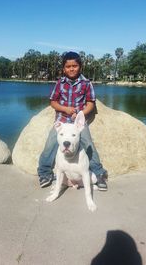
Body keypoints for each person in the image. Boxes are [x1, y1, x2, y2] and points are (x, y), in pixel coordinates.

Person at [37, 51, 108, 191]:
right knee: (50, 144)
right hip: (62, 120)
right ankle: (44, 173)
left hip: (78, 123)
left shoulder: (86, 83)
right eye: (68, 66)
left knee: (88, 144)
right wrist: (65, 109)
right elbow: (53, 102)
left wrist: (81, 113)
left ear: (80, 66)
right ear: (64, 68)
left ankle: (99, 173)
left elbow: (90, 104)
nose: (71, 69)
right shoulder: (60, 83)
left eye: (74, 66)